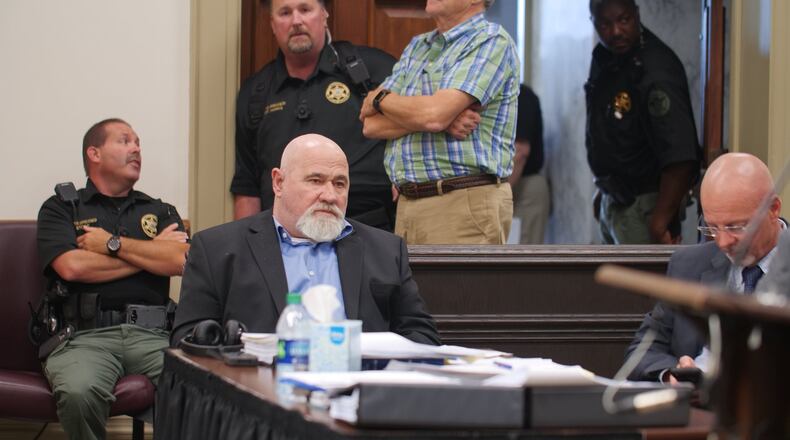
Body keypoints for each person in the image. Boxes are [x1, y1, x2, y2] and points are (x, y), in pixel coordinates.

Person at [172, 134, 441, 346]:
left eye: (339, 184)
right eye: (315, 180)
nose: (330, 195)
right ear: (278, 183)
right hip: (259, 390)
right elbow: (187, 343)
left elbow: (422, 337)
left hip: (361, 390)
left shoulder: (385, 250)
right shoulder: (217, 249)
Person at [36, 118, 189, 440]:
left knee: (199, 386)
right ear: (94, 153)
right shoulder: (62, 209)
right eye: (124, 141)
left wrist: (111, 244)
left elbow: (181, 261)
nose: (136, 149)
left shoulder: (159, 210)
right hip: (84, 337)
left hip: (153, 336)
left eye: (138, 143)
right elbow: (72, 267)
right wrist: (152, 252)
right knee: (78, 392)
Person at [360, 0, 520, 245]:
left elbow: (433, 115)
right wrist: (440, 118)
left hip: (463, 200)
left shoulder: (490, 41)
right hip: (407, 203)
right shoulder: (418, 46)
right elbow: (371, 124)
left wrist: (379, 98)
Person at [231, 0, 397, 232]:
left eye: (305, 9)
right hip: (285, 236)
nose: (296, 21)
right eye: (285, 13)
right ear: (272, 24)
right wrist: (246, 245)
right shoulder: (255, 92)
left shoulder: (372, 69)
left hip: (369, 229)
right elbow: (247, 185)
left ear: (324, 15)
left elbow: (417, 122)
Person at [624, 153, 785, 383]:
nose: (723, 242)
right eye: (712, 228)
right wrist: (672, 373)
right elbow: (642, 351)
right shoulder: (688, 266)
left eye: (736, 227)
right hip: (695, 401)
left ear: (773, 209)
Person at [585, 0, 701, 244]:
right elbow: (610, 131)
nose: (616, 31)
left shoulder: (656, 68)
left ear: (636, 14)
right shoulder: (605, 57)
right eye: (605, 24)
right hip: (613, 201)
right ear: (593, 23)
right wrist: (604, 188)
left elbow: (680, 157)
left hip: (646, 206)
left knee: (637, 272)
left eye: (623, 20)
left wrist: (660, 221)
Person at [508, 84, 550, 244]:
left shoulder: (519, 95)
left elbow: (519, 152)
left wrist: (496, 197)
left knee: (521, 255)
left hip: (520, 187)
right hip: (497, 189)